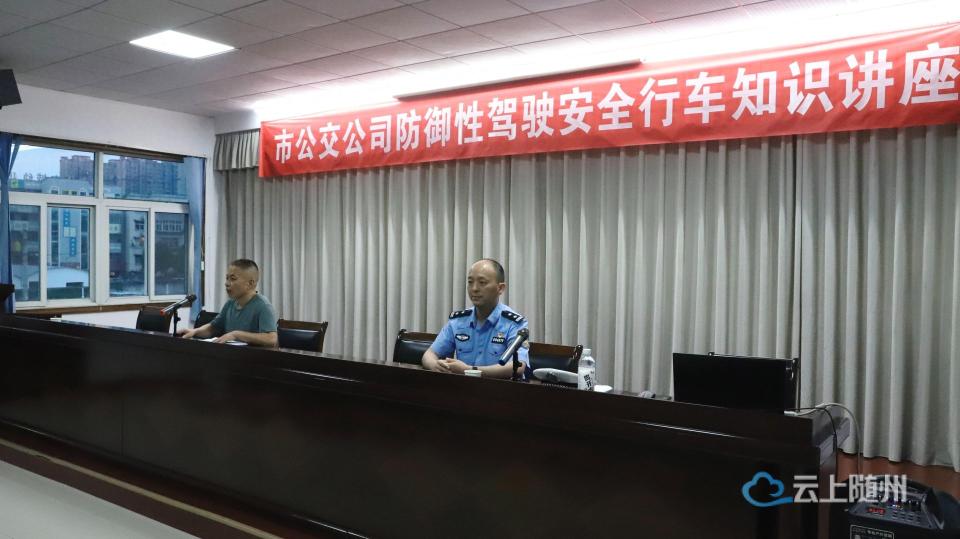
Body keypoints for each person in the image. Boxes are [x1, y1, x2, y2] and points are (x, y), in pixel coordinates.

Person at [422, 258, 529, 379]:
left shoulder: (514, 324)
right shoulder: (458, 321)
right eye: (470, 282)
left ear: (500, 288)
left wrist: (469, 370)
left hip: (499, 389)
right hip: (463, 388)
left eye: (482, 282)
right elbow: (429, 354)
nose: (474, 288)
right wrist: (435, 365)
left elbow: (518, 367)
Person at [178, 259, 278, 347]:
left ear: (250, 283)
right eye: (227, 278)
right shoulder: (230, 304)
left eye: (233, 279)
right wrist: (194, 331)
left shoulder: (263, 306)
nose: (227, 283)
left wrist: (236, 334)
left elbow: (271, 339)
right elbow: (212, 328)